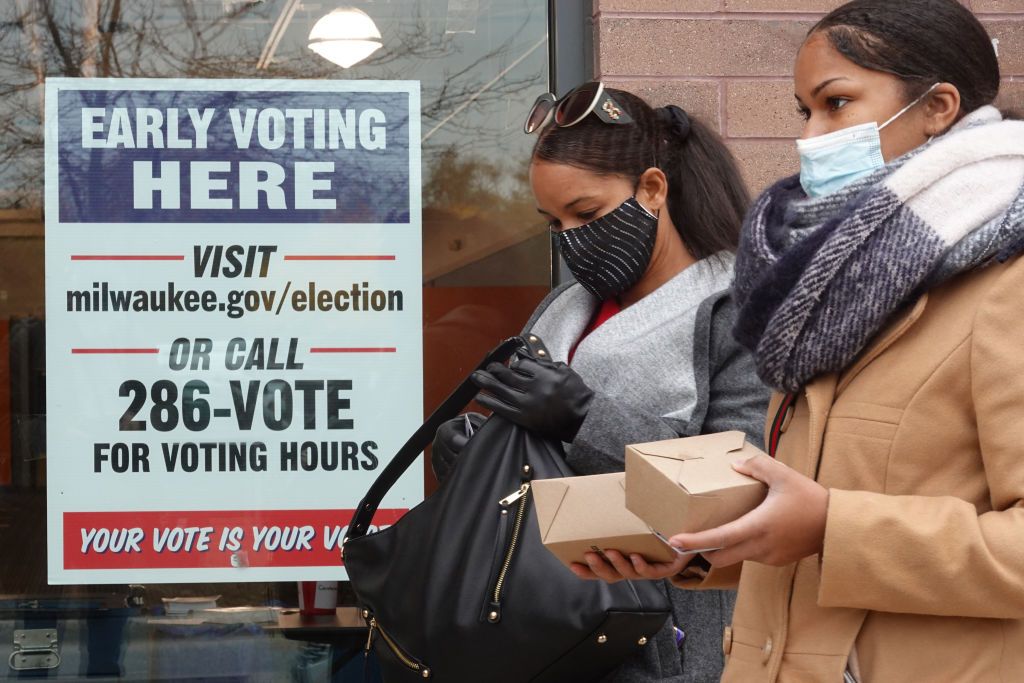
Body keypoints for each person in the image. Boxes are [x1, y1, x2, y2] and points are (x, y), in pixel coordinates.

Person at [575, 1, 1024, 681]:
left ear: (938, 107)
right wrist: (699, 548)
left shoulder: (1007, 282)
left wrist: (831, 527)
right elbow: (812, 530)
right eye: (802, 111)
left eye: (836, 103)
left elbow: (835, 527)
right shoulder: (822, 289)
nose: (811, 136)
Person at [431, 83, 770, 683]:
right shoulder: (564, 311)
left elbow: (744, 481)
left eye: (585, 214)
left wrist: (584, 417)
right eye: (553, 222)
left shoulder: (733, 311)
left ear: (652, 189)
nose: (570, 237)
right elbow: (533, 467)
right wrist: (477, 454)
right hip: (538, 626)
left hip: (659, 644)